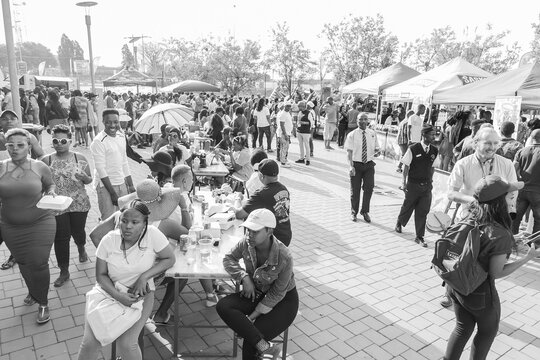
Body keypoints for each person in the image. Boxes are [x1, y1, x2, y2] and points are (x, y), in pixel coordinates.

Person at [443, 175, 540, 360]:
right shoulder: (500, 233)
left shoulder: (471, 215)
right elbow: (496, 272)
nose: (513, 200)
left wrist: (512, 239)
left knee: (463, 327)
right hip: (480, 292)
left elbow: (483, 243)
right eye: (510, 197)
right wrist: (528, 257)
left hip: (456, 283)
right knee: (488, 332)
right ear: (498, 202)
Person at [77, 200, 175, 360]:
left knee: (128, 344)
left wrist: (145, 276)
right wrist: (118, 296)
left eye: (135, 222)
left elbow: (169, 258)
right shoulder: (109, 240)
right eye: (124, 220)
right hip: (107, 293)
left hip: (141, 297)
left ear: (144, 224)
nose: (128, 226)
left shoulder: (153, 235)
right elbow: (100, 275)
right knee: (89, 343)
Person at [442, 127, 519, 308]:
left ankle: (474, 294)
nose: (492, 147)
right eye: (487, 143)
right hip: (468, 221)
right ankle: (449, 292)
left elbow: (512, 189)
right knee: (457, 258)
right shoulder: (463, 163)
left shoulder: (506, 164)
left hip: (494, 223)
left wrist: (505, 215)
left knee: (484, 261)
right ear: (476, 143)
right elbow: (451, 193)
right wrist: (475, 201)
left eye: (495, 143)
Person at [216, 209, 298, 360]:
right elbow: (228, 259)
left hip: (283, 301)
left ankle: (261, 346)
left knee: (250, 341)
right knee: (223, 305)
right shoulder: (246, 243)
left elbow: (277, 293)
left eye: (255, 231)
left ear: (269, 231)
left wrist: (250, 319)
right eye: (247, 229)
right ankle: (266, 347)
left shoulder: (284, 256)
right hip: (258, 292)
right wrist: (244, 277)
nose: (249, 235)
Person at [0, 128, 56, 324]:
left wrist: (50, 193)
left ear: (29, 147)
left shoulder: (40, 167)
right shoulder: (0, 167)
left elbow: (50, 185)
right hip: (10, 226)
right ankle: (33, 292)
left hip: (41, 222)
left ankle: (43, 302)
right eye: (10, 145)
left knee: (39, 262)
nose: (15, 149)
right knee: (23, 262)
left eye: (20, 145)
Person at [42, 124, 92, 287]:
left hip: (78, 202)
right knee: (61, 237)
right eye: (55, 140)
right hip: (57, 206)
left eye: (63, 140)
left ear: (70, 141)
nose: (59, 144)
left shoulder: (80, 158)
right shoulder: (46, 160)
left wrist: (84, 177)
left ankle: (81, 247)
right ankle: (64, 270)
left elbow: (89, 179)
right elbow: (41, 183)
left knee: (78, 231)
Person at [395, 125, 438, 247]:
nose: (434, 137)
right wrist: (403, 182)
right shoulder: (413, 148)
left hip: (426, 186)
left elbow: (433, 166)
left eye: (434, 134)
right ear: (424, 135)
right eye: (431, 134)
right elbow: (406, 166)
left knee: (423, 211)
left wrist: (431, 180)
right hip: (413, 184)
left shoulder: (434, 150)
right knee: (408, 206)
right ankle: (400, 222)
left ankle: (419, 236)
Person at [234, 159, 292, 246]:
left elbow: (239, 214)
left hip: (272, 239)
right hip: (285, 234)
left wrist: (237, 198)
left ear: (261, 175)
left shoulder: (262, 194)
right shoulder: (283, 189)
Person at [90, 109, 135, 220]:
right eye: (108, 122)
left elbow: (124, 162)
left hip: (122, 183)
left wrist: (131, 185)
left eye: (115, 122)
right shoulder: (98, 141)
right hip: (105, 187)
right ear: (103, 122)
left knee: (124, 217)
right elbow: (101, 169)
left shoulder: (121, 136)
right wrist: (112, 193)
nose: (112, 125)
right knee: (108, 220)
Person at [345, 113, 380, 223]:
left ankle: (364, 211)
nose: (363, 121)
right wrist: (351, 166)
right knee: (355, 190)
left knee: (369, 188)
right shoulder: (352, 134)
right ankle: (354, 212)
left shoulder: (372, 134)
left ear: (368, 121)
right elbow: (349, 152)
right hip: (356, 165)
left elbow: (377, 148)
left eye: (365, 119)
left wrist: (377, 152)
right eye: (361, 119)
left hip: (369, 164)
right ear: (357, 121)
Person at [512, 129, 540, 235]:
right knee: (538, 221)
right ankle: (534, 245)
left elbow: (513, 169)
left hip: (522, 189)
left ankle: (512, 241)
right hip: (538, 192)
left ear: (531, 138)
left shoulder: (521, 151)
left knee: (515, 218)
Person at [295, 101, 313, 165]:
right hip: (299, 131)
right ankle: (301, 158)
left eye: (299, 106)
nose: (298, 107)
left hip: (306, 132)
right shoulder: (300, 112)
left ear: (303, 106)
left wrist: (303, 123)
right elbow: (298, 121)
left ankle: (308, 159)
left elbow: (311, 123)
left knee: (307, 146)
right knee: (300, 145)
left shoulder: (309, 113)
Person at [277, 101, 293, 167]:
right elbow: (282, 125)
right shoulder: (283, 114)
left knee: (286, 148)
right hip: (283, 133)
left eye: (290, 106)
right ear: (284, 106)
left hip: (287, 133)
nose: (289, 107)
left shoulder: (287, 113)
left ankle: (285, 160)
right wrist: (285, 134)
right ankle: (283, 163)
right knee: (284, 148)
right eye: (287, 106)